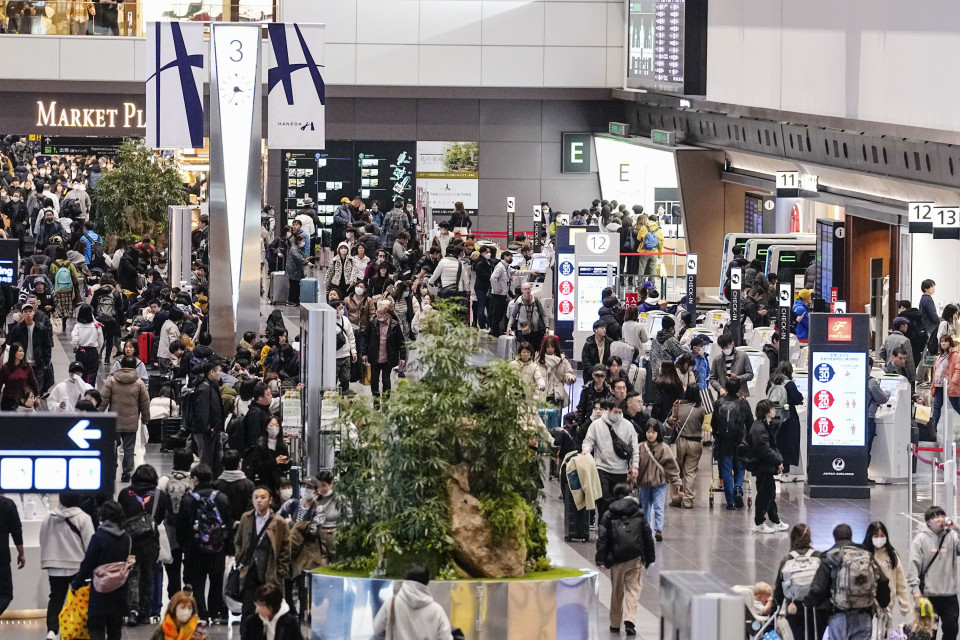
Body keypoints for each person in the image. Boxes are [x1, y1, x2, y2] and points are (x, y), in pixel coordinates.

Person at [805, 523, 891, 640]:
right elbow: (883, 580)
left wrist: (808, 603)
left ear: (834, 538)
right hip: (864, 615)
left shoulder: (829, 558)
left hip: (838, 616)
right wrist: (884, 602)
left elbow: (818, 589)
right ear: (851, 537)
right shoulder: (866, 555)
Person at [596, 483, 655, 636]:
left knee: (617, 591)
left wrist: (601, 559)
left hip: (616, 559)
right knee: (633, 589)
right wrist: (650, 558)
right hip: (635, 557)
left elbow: (603, 538)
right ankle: (630, 620)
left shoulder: (609, 514)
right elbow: (647, 536)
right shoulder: (639, 512)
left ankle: (615, 623)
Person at [177, 463, 233, 624]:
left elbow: (182, 525)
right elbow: (228, 524)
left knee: (198, 581)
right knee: (216, 581)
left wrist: (183, 546)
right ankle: (215, 613)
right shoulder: (221, 498)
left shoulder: (188, 499)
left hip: (195, 548)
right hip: (218, 547)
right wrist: (229, 547)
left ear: (195, 478)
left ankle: (202, 613)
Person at [71, 501, 132, 640]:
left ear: (102, 517)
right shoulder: (126, 538)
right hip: (120, 590)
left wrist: (76, 584)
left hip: (101, 591)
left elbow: (88, 564)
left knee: (96, 627)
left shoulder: (99, 537)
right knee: (115, 630)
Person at [118, 464, 169, 626]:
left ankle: (132, 610)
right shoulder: (160, 495)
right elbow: (160, 518)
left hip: (130, 541)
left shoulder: (125, 493)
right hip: (151, 542)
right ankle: (145, 612)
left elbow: (120, 516)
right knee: (148, 575)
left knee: (133, 573)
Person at [40, 490, 95, 640]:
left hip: (54, 565)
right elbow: (91, 544)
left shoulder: (49, 518)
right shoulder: (84, 518)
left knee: (56, 597)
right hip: (77, 565)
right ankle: (75, 629)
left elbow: (43, 539)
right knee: (77, 600)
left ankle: (52, 631)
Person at [234, 486, 291, 621]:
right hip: (249, 570)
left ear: (270, 500)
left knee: (270, 609)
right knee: (248, 609)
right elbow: (238, 541)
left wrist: (280, 570)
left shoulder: (278, 521)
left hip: (270, 571)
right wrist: (240, 558)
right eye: (256, 497)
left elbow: (286, 547)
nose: (259, 500)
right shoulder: (246, 518)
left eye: (263, 497)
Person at [581, 399, 640, 523]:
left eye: (620, 412)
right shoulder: (596, 425)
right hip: (602, 468)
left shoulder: (628, 426)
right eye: (615, 411)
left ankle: (615, 528)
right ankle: (603, 527)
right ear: (608, 410)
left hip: (621, 470)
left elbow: (635, 448)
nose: (617, 414)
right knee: (604, 501)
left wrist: (635, 466)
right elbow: (588, 441)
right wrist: (586, 450)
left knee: (619, 502)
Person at [908, 506, 960, 640]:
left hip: (949, 594)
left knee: (951, 628)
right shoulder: (920, 540)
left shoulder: (952, 536)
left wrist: (957, 528)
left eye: (942, 516)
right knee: (929, 632)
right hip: (928, 596)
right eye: (935, 517)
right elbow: (913, 565)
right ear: (928, 522)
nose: (940, 519)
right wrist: (915, 589)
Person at [767, 523, 824, 640]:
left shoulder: (787, 560)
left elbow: (778, 593)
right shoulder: (819, 557)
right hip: (816, 610)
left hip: (794, 609)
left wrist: (770, 625)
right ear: (809, 538)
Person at [101, 355, 150, 482]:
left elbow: (103, 401)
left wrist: (98, 415)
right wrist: (146, 418)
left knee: (112, 447)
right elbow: (145, 403)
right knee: (129, 449)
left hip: (114, 421)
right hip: (131, 422)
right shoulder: (139, 383)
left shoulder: (111, 381)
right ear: (135, 367)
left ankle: (111, 469)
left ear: (121, 366)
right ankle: (127, 473)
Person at [372, 564, 452, 640]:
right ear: (427, 582)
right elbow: (447, 637)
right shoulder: (437, 610)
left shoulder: (391, 603)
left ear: (406, 579)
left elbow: (377, 630)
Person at [745, 399, 788, 534]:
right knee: (765, 494)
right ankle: (759, 522)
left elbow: (771, 447)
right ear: (765, 412)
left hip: (765, 465)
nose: (774, 410)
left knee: (769, 494)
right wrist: (779, 460)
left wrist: (777, 461)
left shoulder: (764, 426)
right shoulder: (759, 428)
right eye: (772, 408)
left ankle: (775, 521)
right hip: (762, 466)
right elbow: (765, 450)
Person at [636, 419, 680, 542]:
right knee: (645, 507)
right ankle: (646, 529)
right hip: (644, 483)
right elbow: (635, 464)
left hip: (659, 483)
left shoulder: (663, 448)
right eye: (648, 432)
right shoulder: (640, 447)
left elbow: (672, 466)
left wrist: (676, 481)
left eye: (653, 432)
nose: (650, 434)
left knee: (658, 506)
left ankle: (658, 529)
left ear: (658, 433)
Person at [863, 520, 911, 633]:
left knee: (884, 631)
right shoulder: (864, 554)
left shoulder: (891, 555)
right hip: (867, 602)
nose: (879, 538)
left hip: (888, 601)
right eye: (876, 536)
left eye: (882, 536)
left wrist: (904, 603)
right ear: (870, 536)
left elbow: (900, 579)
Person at [667, 386, 706, 509]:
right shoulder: (700, 409)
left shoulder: (678, 406)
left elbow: (671, 420)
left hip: (680, 441)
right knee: (690, 472)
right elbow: (701, 423)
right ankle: (688, 500)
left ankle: (677, 498)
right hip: (695, 442)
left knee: (677, 471)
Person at [713, 378, 750, 510]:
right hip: (740, 440)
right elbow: (750, 423)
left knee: (727, 470)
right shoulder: (743, 404)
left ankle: (730, 502)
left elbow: (714, 424)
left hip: (724, 441)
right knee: (740, 467)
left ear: (726, 388)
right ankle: (738, 488)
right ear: (739, 389)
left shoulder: (718, 403)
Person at [361, 299, 407, 402]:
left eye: (380, 313)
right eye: (377, 313)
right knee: (374, 379)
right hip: (375, 356)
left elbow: (401, 342)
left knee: (386, 380)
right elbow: (366, 337)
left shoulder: (394, 325)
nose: (378, 315)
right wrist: (364, 352)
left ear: (386, 314)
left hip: (388, 357)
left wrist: (403, 357)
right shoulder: (373, 323)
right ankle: (376, 400)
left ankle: (386, 401)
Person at [768, 362, 804, 483]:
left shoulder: (771, 382)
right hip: (789, 417)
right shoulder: (790, 384)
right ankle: (786, 472)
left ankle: (776, 470)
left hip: (773, 416)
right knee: (789, 444)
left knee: (776, 442)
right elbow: (798, 398)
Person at [7, 302, 52, 392]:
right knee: (23, 390)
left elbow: (47, 346)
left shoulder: (41, 328)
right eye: (25, 311)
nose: (28, 313)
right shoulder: (17, 329)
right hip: (22, 364)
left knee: (36, 390)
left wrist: (45, 361)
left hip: (38, 364)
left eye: (30, 311)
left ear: (34, 312)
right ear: (22, 313)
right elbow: (11, 345)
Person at [191, 361, 224, 474]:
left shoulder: (211, 386)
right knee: (206, 462)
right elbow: (202, 411)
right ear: (212, 372)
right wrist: (208, 429)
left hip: (213, 431)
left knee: (215, 461)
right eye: (219, 371)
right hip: (206, 433)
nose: (221, 373)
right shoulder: (204, 388)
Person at [246, 417, 291, 493]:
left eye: (277, 425)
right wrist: (275, 462)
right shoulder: (260, 444)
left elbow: (285, 468)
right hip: (264, 482)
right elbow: (257, 466)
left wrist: (287, 462)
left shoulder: (281, 444)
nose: (274, 428)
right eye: (271, 425)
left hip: (279, 483)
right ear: (266, 428)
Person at [708, 334, 755, 398]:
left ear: (732, 343)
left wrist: (738, 378)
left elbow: (750, 374)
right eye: (723, 348)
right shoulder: (717, 360)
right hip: (724, 395)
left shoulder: (743, 356)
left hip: (740, 395)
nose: (725, 350)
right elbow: (712, 378)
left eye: (727, 347)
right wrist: (719, 388)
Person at [536, 334, 576, 407]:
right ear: (544, 347)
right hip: (542, 393)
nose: (550, 349)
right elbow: (535, 376)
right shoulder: (539, 361)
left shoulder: (562, 360)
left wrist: (570, 377)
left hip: (557, 394)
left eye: (552, 347)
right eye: (548, 347)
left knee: (556, 416)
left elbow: (568, 373)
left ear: (556, 347)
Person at [0, 342, 39, 411]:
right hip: (8, 400)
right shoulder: (5, 367)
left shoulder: (27, 367)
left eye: (23, 351)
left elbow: (33, 381)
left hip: (23, 401)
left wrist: (37, 396)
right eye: (20, 351)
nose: (22, 353)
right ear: (13, 352)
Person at [880, 316, 917, 387]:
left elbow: (881, 352)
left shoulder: (888, 338)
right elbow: (909, 360)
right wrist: (913, 376)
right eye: (906, 325)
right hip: (901, 371)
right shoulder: (905, 340)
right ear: (902, 327)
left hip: (889, 368)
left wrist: (888, 359)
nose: (907, 327)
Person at [70, 303, 103, 384]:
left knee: (80, 373)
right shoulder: (97, 325)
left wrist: (75, 346)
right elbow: (101, 341)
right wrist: (97, 350)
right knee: (92, 374)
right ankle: (90, 391)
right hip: (92, 352)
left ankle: (81, 391)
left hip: (81, 351)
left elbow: (74, 340)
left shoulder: (77, 326)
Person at [648, 316, 682, 388]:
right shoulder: (672, 340)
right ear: (671, 328)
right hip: (668, 377)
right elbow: (681, 356)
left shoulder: (655, 339)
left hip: (656, 376)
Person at [488, 250, 512, 337]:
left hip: (502, 294)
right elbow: (492, 278)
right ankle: (494, 332)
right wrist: (496, 289)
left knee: (500, 313)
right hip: (498, 295)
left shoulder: (506, 267)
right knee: (497, 314)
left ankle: (496, 331)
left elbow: (515, 272)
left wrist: (529, 272)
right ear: (505, 256)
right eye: (509, 256)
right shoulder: (500, 267)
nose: (511, 258)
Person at [284, 233, 308, 306]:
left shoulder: (298, 248)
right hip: (293, 271)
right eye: (303, 241)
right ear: (298, 241)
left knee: (296, 286)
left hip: (296, 271)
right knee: (294, 287)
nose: (304, 243)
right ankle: (291, 301)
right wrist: (306, 262)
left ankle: (296, 300)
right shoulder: (294, 249)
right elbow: (298, 258)